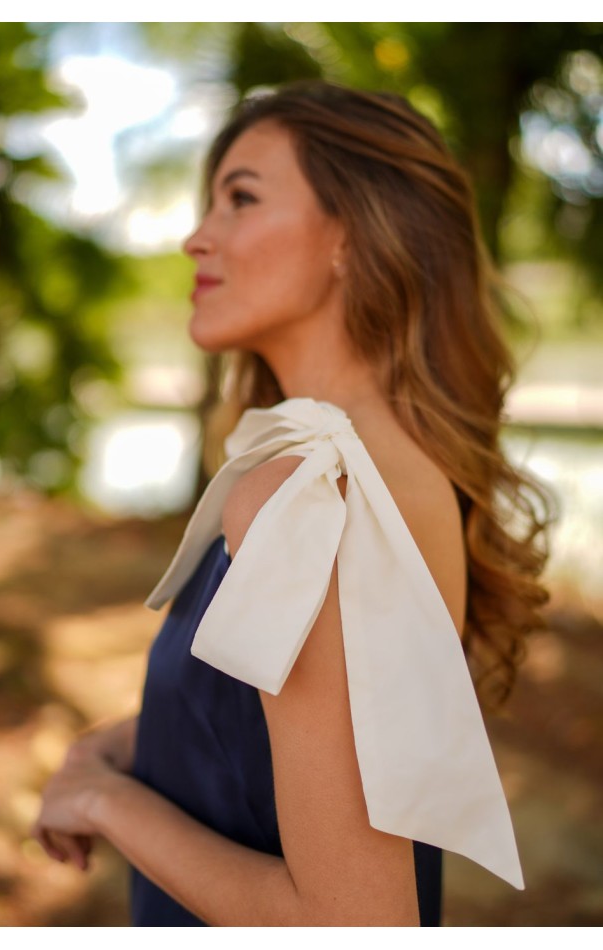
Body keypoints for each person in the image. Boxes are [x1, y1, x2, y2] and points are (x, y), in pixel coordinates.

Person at [32, 79, 552, 926]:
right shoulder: (384, 461)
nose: (196, 237)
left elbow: (356, 924)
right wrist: (121, 743)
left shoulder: (316, 489)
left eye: (241, 198)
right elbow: (279, 729)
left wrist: (102, 803)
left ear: (351, 234)